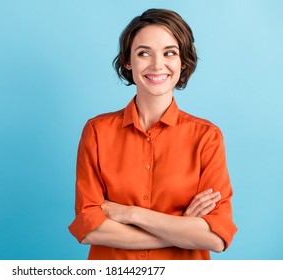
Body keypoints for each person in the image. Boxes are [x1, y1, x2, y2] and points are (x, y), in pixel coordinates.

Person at [68, 8, 237, 260]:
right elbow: (89, 227)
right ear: (128, 61)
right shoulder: (97, 132)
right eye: (144, 53)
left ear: (183, 61)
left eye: (170, 53)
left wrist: (131, 214)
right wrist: (182, 227)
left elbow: (216, 237)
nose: (157, 64)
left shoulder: (206, 137)